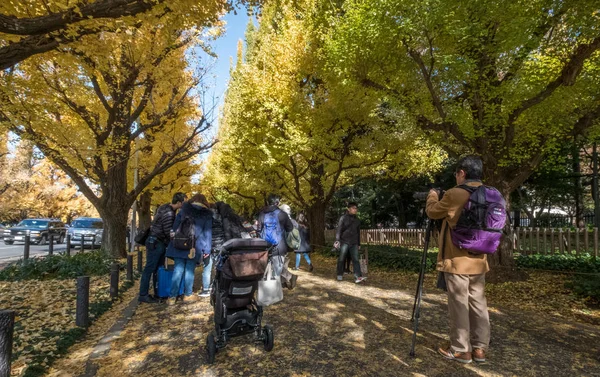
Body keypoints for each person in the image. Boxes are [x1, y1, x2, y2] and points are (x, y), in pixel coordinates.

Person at [426, 155, 490, 364]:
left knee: (459, 305)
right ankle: (480, 348)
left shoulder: (455, 194)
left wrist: (433, 195)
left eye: (456, 173)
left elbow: (433, 212)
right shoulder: (490, 194)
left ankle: (461, 349)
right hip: (479, 259)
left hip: (457, 260)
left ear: (462, 173)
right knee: (479, 304)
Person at [138, 192, 186, 304]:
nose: (184, 205)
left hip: (154, 241)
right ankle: (143, 294)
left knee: (156, 268)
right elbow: (168, 231)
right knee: (150, 268)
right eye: (184, 202)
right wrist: (175, 243)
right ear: (179, 202)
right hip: (157, 242)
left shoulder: (164, 207)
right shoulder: (170, 213)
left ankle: (157, 292)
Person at [165, 193, 212, 305]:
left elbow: (175, 227)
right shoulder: (206, 214)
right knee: (189, 270)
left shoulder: (184, 210)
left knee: (178, 269)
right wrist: (207, 250)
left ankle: (172, 297)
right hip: (194, 246)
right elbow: (207, 233)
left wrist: (174, 240)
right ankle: (188, 294)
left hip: (179, 243)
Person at [258, 194, 297, 289]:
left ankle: (269, 290)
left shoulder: (262, 213)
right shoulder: (282, 214)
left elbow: (259, 229)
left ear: (268, 202)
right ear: (277, 202)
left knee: (265, 269)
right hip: (280, 246)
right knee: (277, 270)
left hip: (265, 246)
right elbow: (290, 228)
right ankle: (276, 291)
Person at [334, 202, 366, 284]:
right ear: (348, 209)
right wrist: (337, 240)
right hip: (344, 241)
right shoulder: (343, 218)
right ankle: (339, 273)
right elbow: (339, 230)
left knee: (355, 259)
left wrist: (359, 244)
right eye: (353, 208)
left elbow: (358, 233)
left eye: (356, 208)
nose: (355, 210)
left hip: (354, 242)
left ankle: (358, 276)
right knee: (342, 258)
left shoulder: (357, 220)